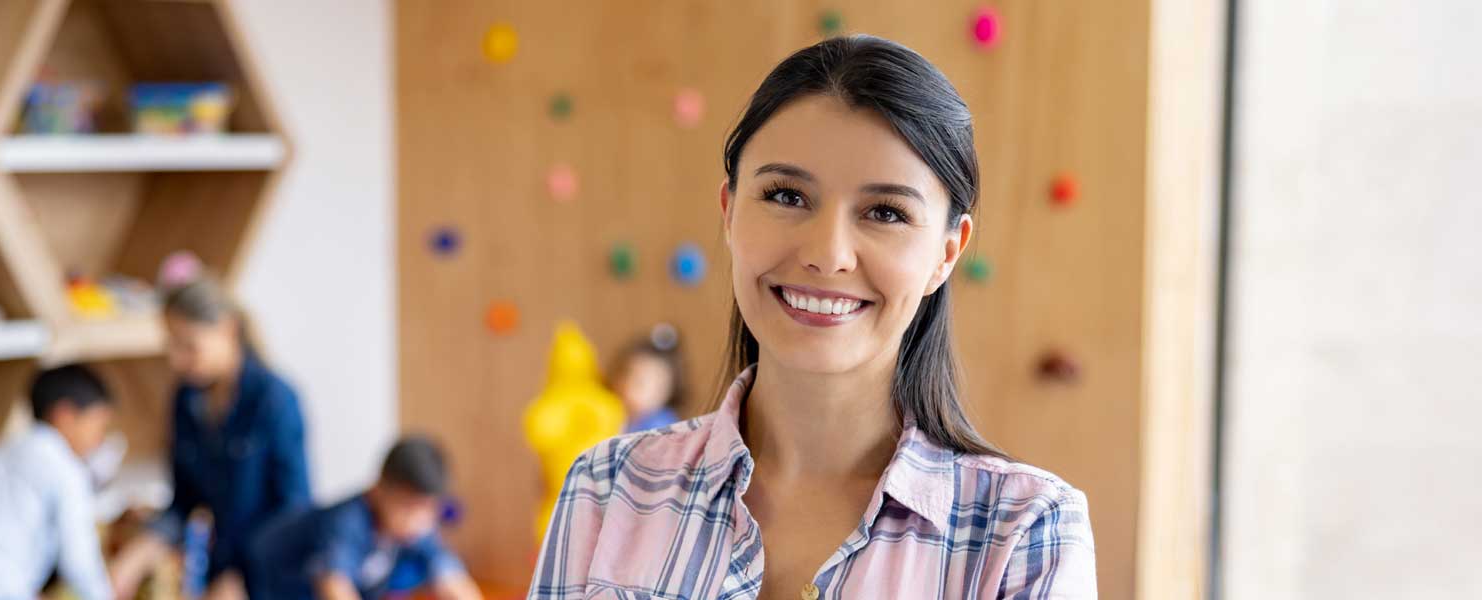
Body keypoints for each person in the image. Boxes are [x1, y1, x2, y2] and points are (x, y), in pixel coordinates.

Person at [527, 35, 1097, 598]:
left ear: (947, 254)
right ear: (728, 213)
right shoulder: (607, 488)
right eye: (786, 196)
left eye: (885, 212)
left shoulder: (1026, 536)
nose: (828, 254)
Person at [111, 274, 313, 599]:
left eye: (189, 346)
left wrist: (242, 578)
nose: (177, 361)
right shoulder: (185, 399)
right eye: (171, 346)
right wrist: (137, 556)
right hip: (216, 570)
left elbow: (294, 511)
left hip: (270, 579)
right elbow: (185, 503)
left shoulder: (274, 399)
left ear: (228, 329)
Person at [0, 364, 116, 600]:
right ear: (64, 416)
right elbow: (79, 560)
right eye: (98, 424)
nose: (100, 438)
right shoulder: (64, 467)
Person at [248, 436, 481, 600]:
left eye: (429, 510)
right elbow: (334, 586)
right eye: (407, 507)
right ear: (378, 490)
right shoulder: (347, 523)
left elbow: (450, 574)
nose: (418, 520)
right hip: (261, 579)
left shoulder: (417, 529)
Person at [607, 324, 687, 433]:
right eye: (623, 374)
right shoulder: (612, 409)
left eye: (639, 383)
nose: (626, 385)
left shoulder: (661, 426)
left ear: (663, 393)